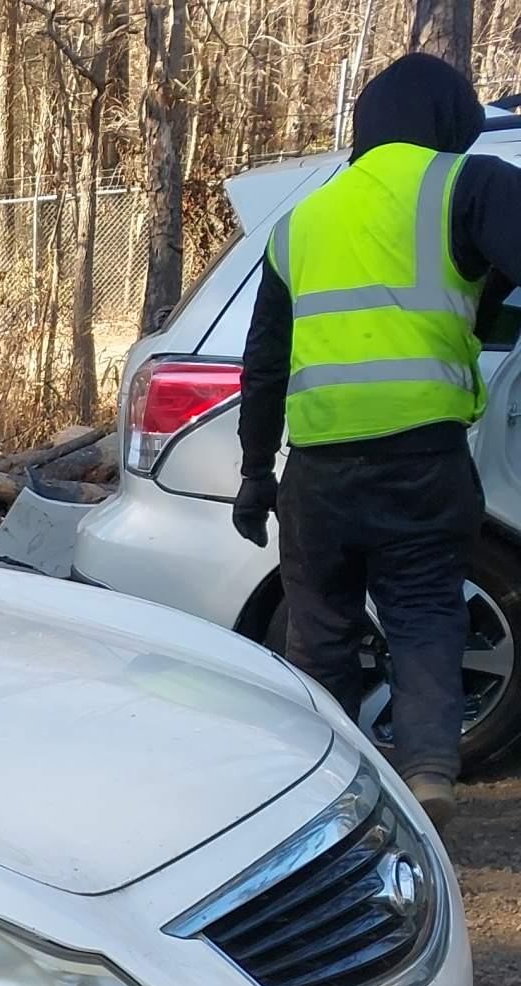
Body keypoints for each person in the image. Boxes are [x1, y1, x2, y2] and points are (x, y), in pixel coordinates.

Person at [233, 52, 521, 821]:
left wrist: (255, 472)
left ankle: (319, 801)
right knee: (426, 611)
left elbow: (263, 364)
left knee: (320, 633)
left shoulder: (301, 221)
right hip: (421, 459)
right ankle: (429, 770)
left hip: (318, 471)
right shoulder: (472, 184)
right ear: (451, 121)